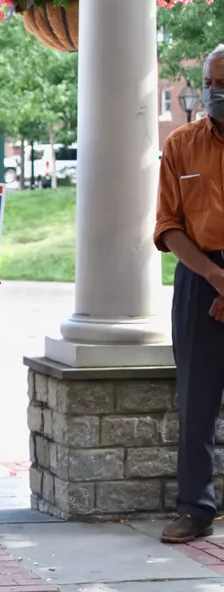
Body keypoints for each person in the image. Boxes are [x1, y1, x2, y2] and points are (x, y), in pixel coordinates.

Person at [155, 45, 224, 544]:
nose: (217, 92)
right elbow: (168, 226)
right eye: (212, 82)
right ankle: (195, 507)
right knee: (195, 399)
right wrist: (216, 279)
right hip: (199, 275)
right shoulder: (180, 144)